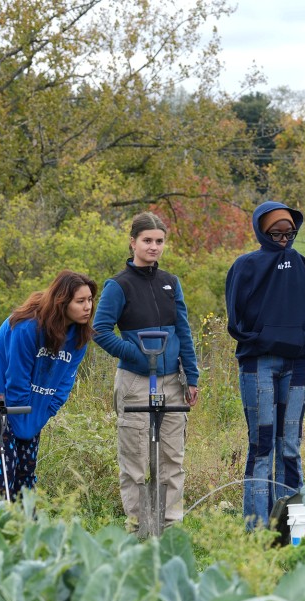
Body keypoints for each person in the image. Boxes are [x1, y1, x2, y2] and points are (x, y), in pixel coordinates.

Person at [93, 212, 200, 531]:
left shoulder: (170, 282)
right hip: (135, 382)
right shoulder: (118, 285)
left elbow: (183, 329)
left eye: (159, 241)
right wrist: (136, 355)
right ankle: (140, 528)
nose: (154, 247)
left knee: (171, 459)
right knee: (135, 460)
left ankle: (169, 527)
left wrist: (191, 377)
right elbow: (100, 330)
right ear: (133, 242)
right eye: (147, 241)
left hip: (170, 381)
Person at [225, 200, 305, 527]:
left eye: (289, 232)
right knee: (262, 447)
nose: (283, 239)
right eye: (276, 233)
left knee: (290, 447)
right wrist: (260, 337)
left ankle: (290, 530)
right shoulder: (246, 265)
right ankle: (256, 532)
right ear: (261, 231)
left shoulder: (302, 265)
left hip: (296, 364)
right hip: (258, 365)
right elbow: (235, 318)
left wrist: (303, 336)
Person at [0, 270, 97, 500]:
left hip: (32, 398)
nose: (88, 306)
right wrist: (24, 425)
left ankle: (27, 528)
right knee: (2, 469)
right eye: (80, 301)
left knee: (26, 468)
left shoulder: (79, 335)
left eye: (89, 300)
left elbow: (64, 384)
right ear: (62, 302)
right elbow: (16, 380)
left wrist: (42, 413)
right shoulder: (29, 326)